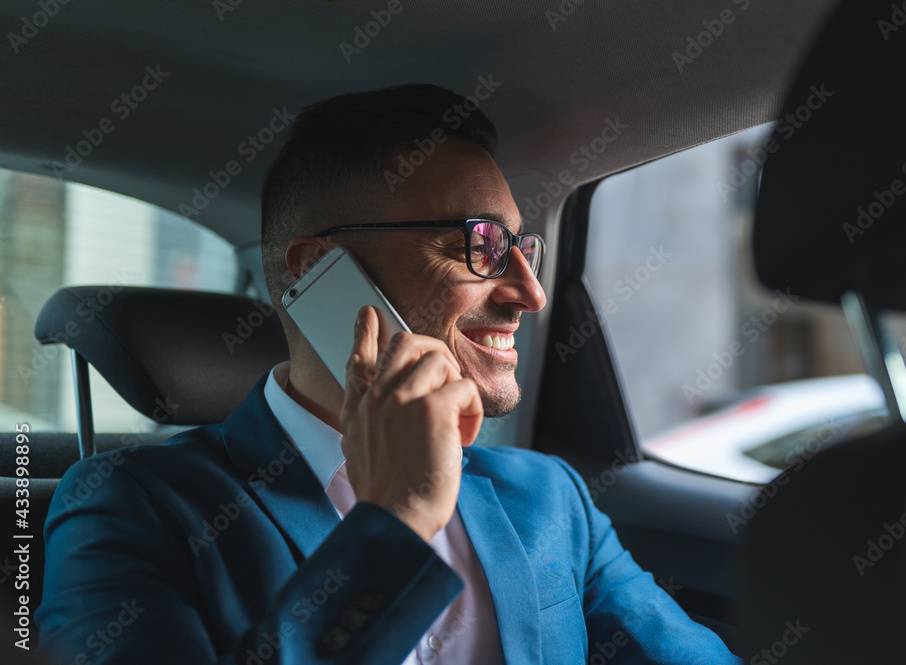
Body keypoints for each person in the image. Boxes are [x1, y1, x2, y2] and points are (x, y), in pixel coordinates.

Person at [36, 84, 742, 664]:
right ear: (319, 270)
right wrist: (395, 524)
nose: (530, 292)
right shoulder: (126, 508)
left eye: (522, 246)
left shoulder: (550, 498)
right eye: (479, 245)